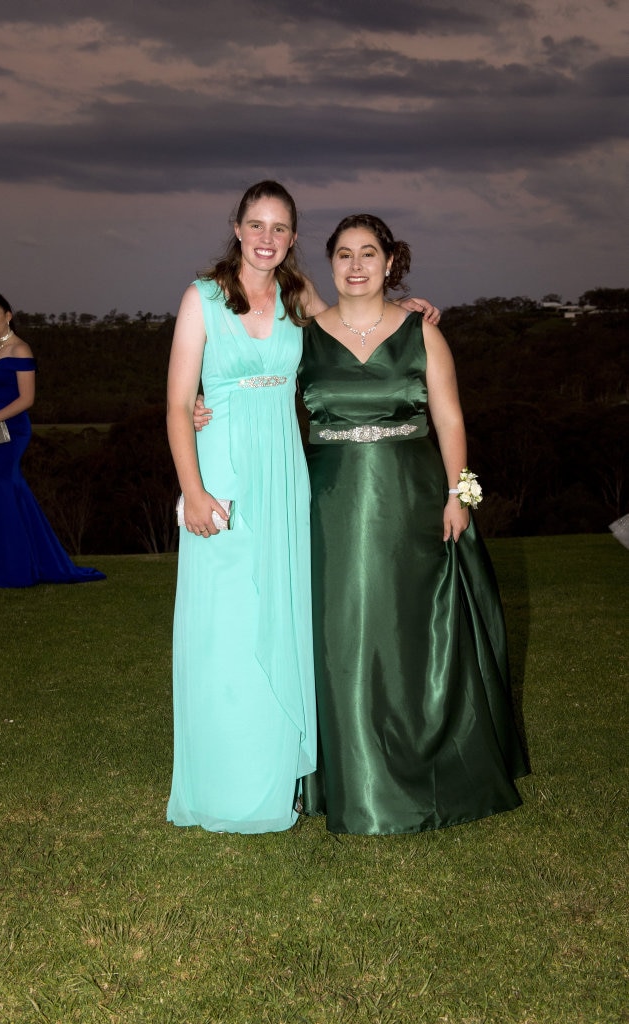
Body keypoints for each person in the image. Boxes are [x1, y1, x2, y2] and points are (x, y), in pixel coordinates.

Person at [166, 181, 439, 834]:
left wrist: (405, 310)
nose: (266, 238)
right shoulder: (200, 298)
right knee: (224, 628)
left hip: (286, 475)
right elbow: (178, 404)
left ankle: (277, 777)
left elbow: (352, 320)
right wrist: (195, 490)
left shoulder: (296, 298)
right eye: (255, 224)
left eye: (279, 228)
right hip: (223, 468)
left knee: (282, 617)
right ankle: (223, 781)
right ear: (235, 227)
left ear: (291, 237)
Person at [297, 214, 528, 833]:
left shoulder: (422, 333)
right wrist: (209, 406)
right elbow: (260, 391)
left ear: (390, 261)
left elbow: (450, 420)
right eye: (343, 254)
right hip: (332, 504)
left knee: (411, 631)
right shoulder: (302, 336)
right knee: (343, 635)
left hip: (414, 497)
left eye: (368, 253)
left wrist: (461, 495)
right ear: (331, 263)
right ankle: (351, 776)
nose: (355, 265)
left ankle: (432, 763)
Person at [0, 293, 105, 589]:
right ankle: (6, 562)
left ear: (8, 316)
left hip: (12, 430)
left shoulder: (20, 350)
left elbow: (27, 399)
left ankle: (1, 568)